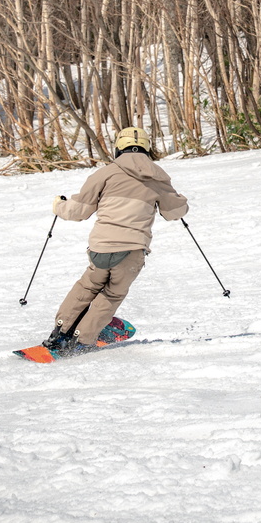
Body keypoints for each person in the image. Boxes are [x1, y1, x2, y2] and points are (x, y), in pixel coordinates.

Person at [40, 126, 188, 356]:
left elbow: (78, 211)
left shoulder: (105, 173)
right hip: (132, 251)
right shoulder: (158, 176)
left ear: (118, 147)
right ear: (147, 148)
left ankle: (60, 332)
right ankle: (83, 339)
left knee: (87, 286)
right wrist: (179, 201)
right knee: (112, 294)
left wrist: (59, 205)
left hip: (101, 247)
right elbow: (174, 212)